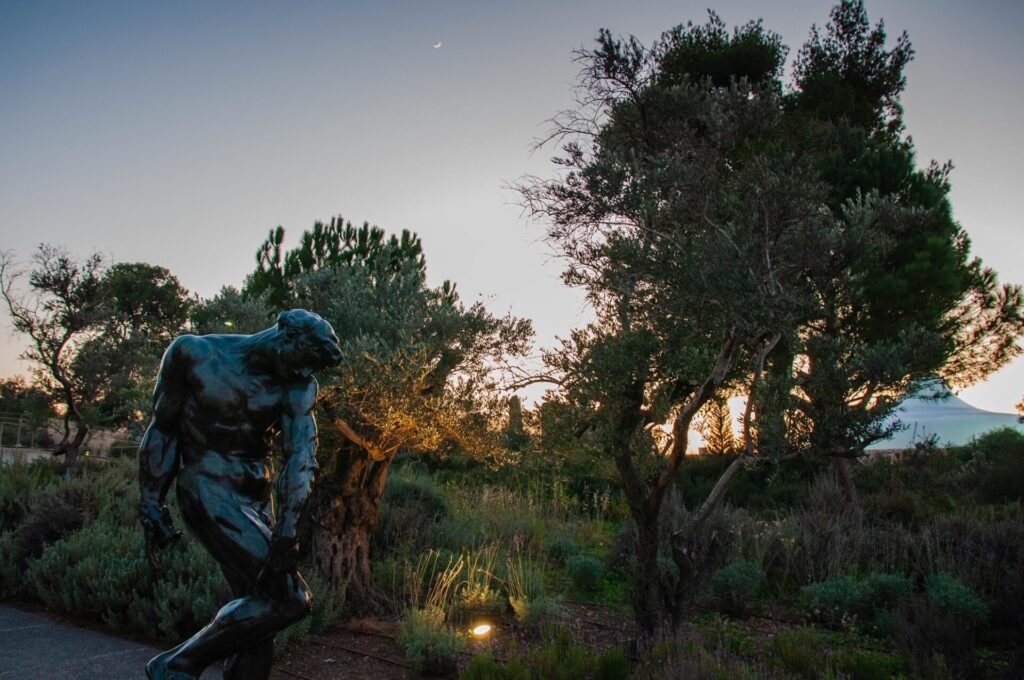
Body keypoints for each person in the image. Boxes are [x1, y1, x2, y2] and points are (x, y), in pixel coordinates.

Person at [139, 309, 342, 680]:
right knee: (290, 599)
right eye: (305, 361)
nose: (305, 373)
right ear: (285, 337)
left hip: (258, 500)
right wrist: (152, 500)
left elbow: (301, 458)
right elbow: (163, 430)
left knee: (258, 616)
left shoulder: (298, 385)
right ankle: (176, 665)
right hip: (207, 487)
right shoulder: (194, 354)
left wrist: (287, 531)